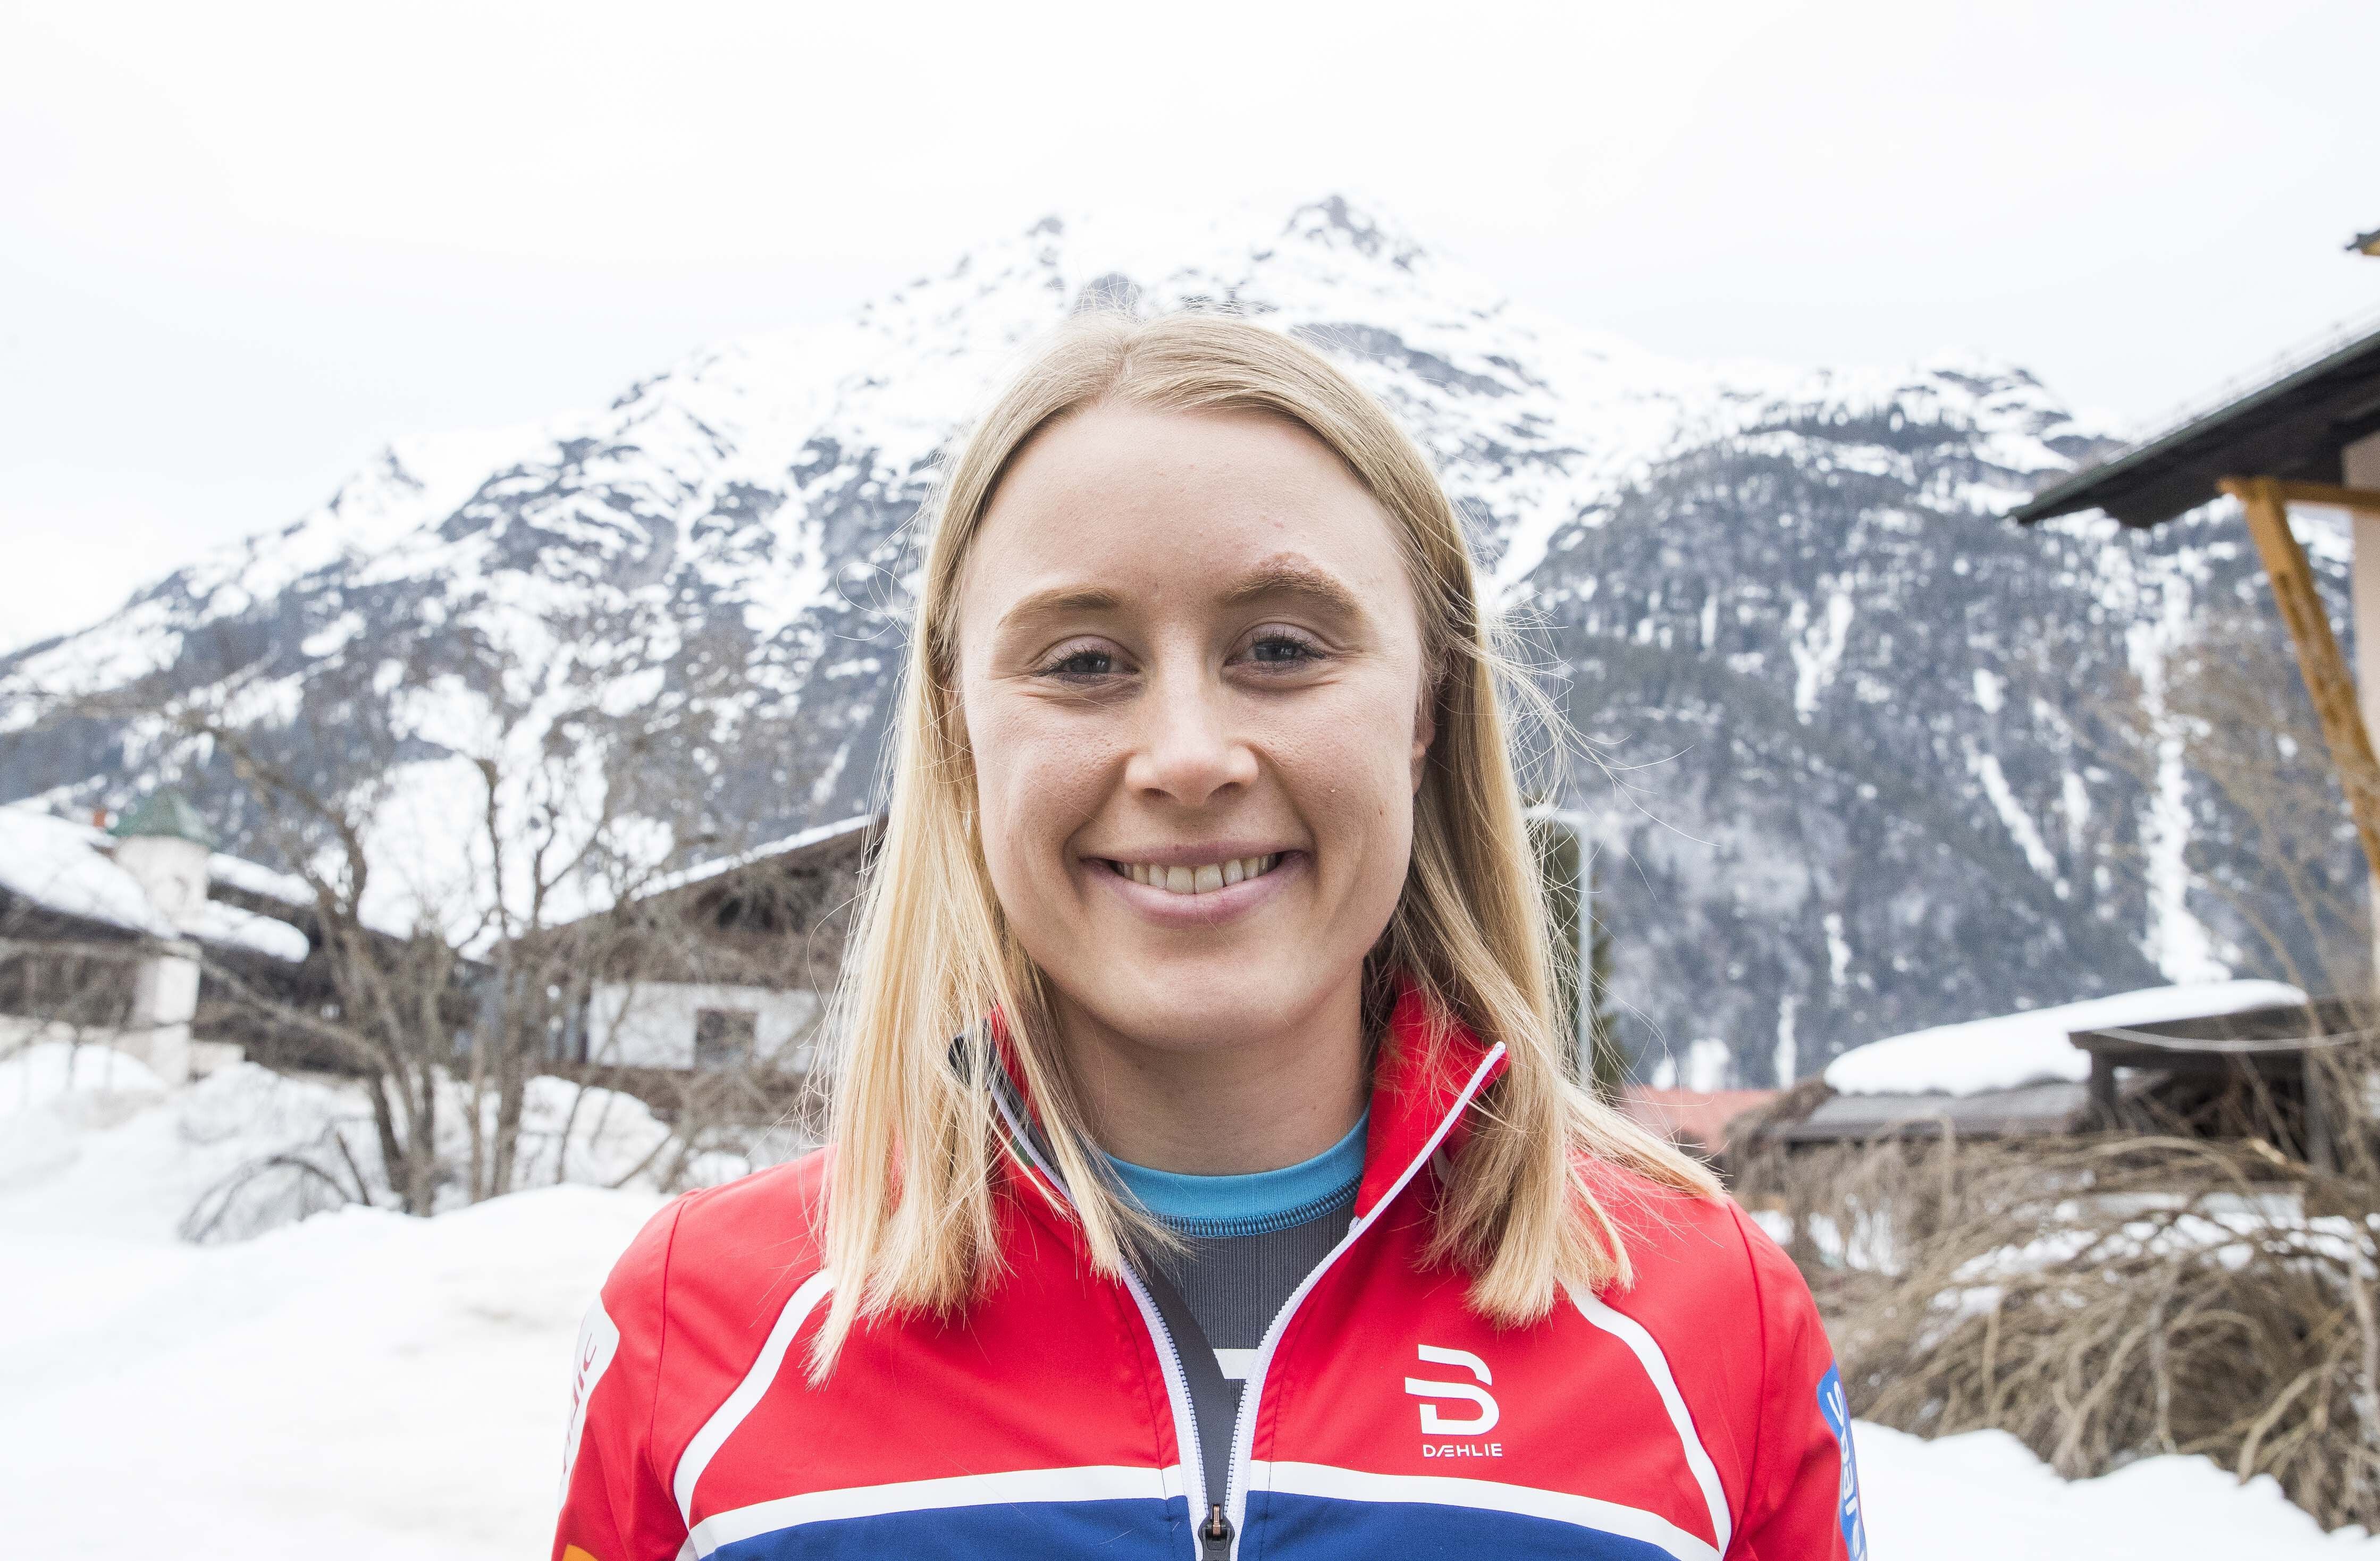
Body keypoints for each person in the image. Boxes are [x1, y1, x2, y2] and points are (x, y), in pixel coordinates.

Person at [553, 312, 1866, 1561]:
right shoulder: (699, 1328)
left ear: (1424, 708)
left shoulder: (1708, 1318)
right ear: (959, 731)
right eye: (1083, 662)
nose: (1186, 757)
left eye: (1280, 648)